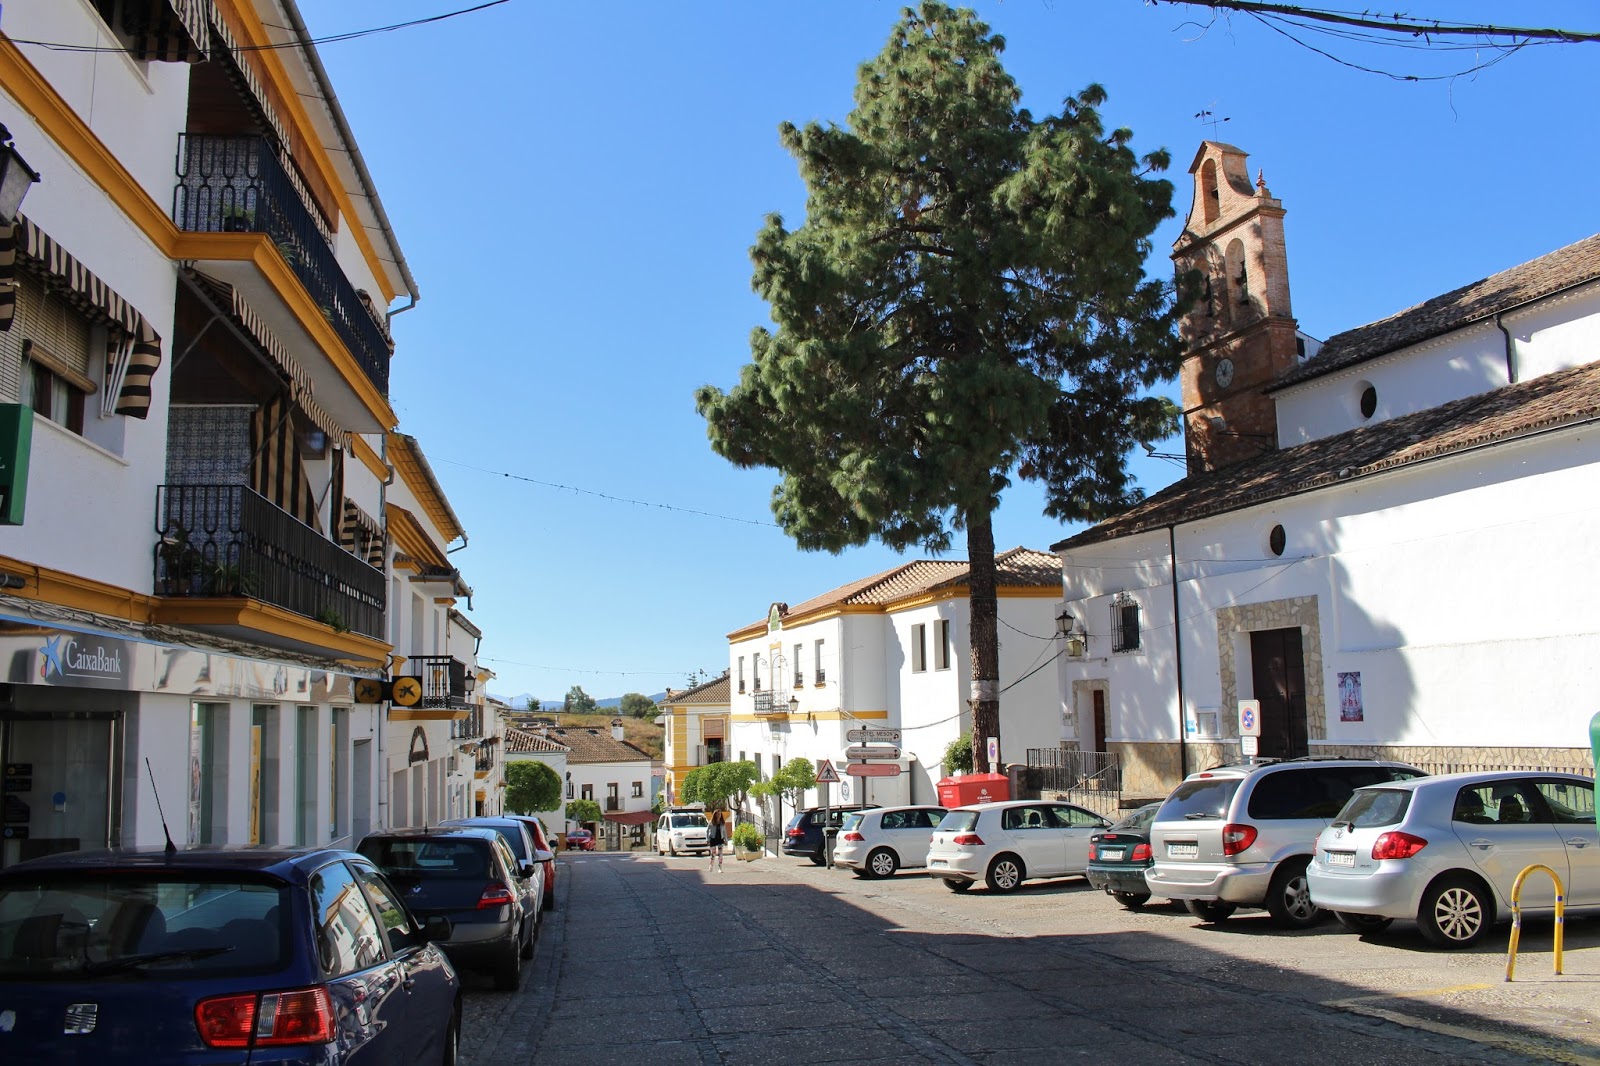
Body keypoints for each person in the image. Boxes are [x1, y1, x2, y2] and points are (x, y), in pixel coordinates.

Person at [706, 806, 730, 872]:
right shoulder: (711, 822)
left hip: (720, 839)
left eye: (720, 814)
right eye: (717, 814)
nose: (719, 816)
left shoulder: (722, 823)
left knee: (720, 854)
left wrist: (726, 840)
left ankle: (720, 867)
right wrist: (707, 839)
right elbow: (707, 831)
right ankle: (711, 865)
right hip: (713, 839)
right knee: (713, 854)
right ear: (715, 815)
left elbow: (724, 832)